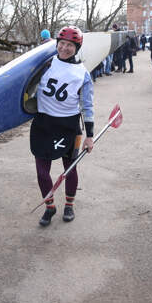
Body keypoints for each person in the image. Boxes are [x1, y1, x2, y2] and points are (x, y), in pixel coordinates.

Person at [30, 26, 94, 227]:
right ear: (56, 43)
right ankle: (49, 206)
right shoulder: (45, 63)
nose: (65, 48)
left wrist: (89, 136)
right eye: (62, 43)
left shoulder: (82, 74)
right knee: (42, 172)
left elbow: (87, 106)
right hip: (43, 124)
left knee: (70, 169)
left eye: (70, 45)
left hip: (69, 127)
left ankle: (69, 205)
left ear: (77, 47)